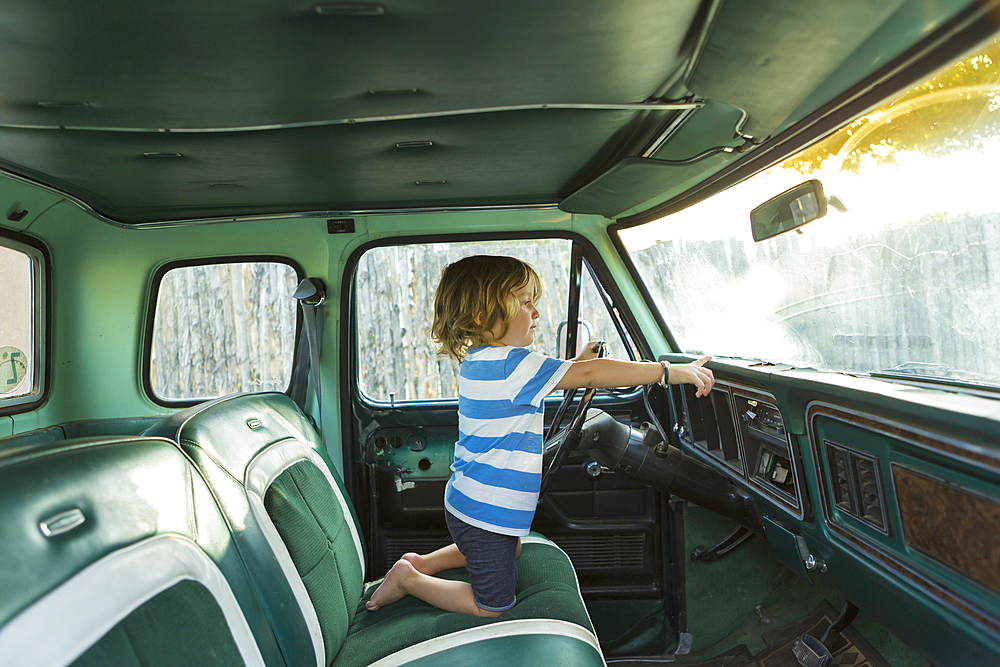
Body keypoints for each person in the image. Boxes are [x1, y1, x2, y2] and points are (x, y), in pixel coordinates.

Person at [365, 255, 713, 617]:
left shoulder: (484, 361)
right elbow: (590, 375)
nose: (536, 313)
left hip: (470, 501)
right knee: (492, 605)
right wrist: (667, 371)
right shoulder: (513, 364)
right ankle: (411, 579)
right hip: (484, 511)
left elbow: (567, 374)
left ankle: (421, 562)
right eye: (525, 302)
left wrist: (578, 361)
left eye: (536, 303)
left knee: (509, 547)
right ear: (483, 316)